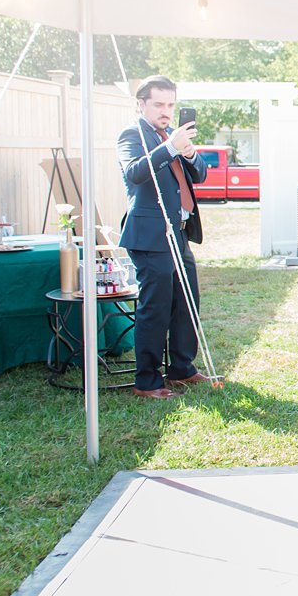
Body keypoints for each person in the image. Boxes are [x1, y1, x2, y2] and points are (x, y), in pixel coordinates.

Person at [117, 75, 209, 399]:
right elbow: (134, 172)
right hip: (149, 235)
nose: (166, 111)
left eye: (170, 104)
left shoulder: (173, 136)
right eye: (159, 104)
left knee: (187, 302)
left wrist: (187, 153)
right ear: (141, 104)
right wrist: (169, 147)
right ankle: (147, 381)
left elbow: (200, 174)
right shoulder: (132, 134)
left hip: (179, 233)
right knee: (155, 308)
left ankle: (181, 369)